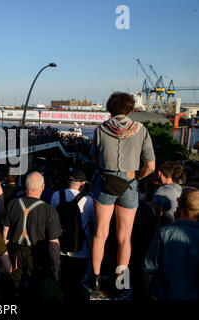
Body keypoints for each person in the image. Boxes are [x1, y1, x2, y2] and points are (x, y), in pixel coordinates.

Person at [89, 92, 156, 291]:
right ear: (130, 109)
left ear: (110, 108)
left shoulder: (101, 129)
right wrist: (137, 177)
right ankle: (121, 281)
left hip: (106, 181)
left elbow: (94, 158)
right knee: (124, 237)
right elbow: (151, 165)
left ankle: (95, 278)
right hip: (129, 182)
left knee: (100, 234)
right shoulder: (141, 129)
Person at [2, 172, 62, 299]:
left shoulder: (12, 204)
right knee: (35, 292)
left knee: (13, 292)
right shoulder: (49, 211)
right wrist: (56, 269)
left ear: (25, 186)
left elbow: (5, 235)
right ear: (42, 188)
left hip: (15, 256)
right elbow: (53, 244)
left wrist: (4, 259)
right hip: (37, 258)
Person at [143, 187, 199, 300]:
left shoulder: (164, 232)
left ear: (179, 207)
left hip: (164, 294)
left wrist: (144, 293)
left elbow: (148, 269)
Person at [50, 170, 95, 301]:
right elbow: (93, 224)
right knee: (76, 283)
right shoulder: (89, 201)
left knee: (62, 282)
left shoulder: (56, 196)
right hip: (80, 249)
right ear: (82, 184)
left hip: (59, 246)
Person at [152, 161, 184, 225]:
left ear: (159, 173)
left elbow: (157, 215)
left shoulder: (160, 191)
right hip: (181, 225)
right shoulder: (179, 188)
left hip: (167, 226)